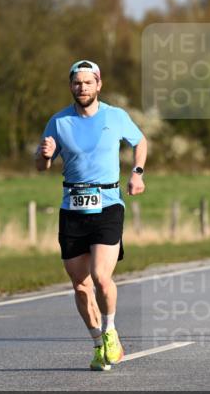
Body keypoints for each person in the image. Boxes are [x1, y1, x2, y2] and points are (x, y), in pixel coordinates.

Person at [36, 60, 147, 370]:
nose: (82, 87)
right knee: (81, 285)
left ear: (99, 84)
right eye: (77, 83)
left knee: (100, 276)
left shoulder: (115, 116)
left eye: (87, 82)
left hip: (108, 203)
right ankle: (98, 343)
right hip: (72, 207)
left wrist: (137, 172)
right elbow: (41, 165)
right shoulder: (59, 122)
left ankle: (110, 331)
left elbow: (140, 141)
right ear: (71, 86)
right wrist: (44, 155)